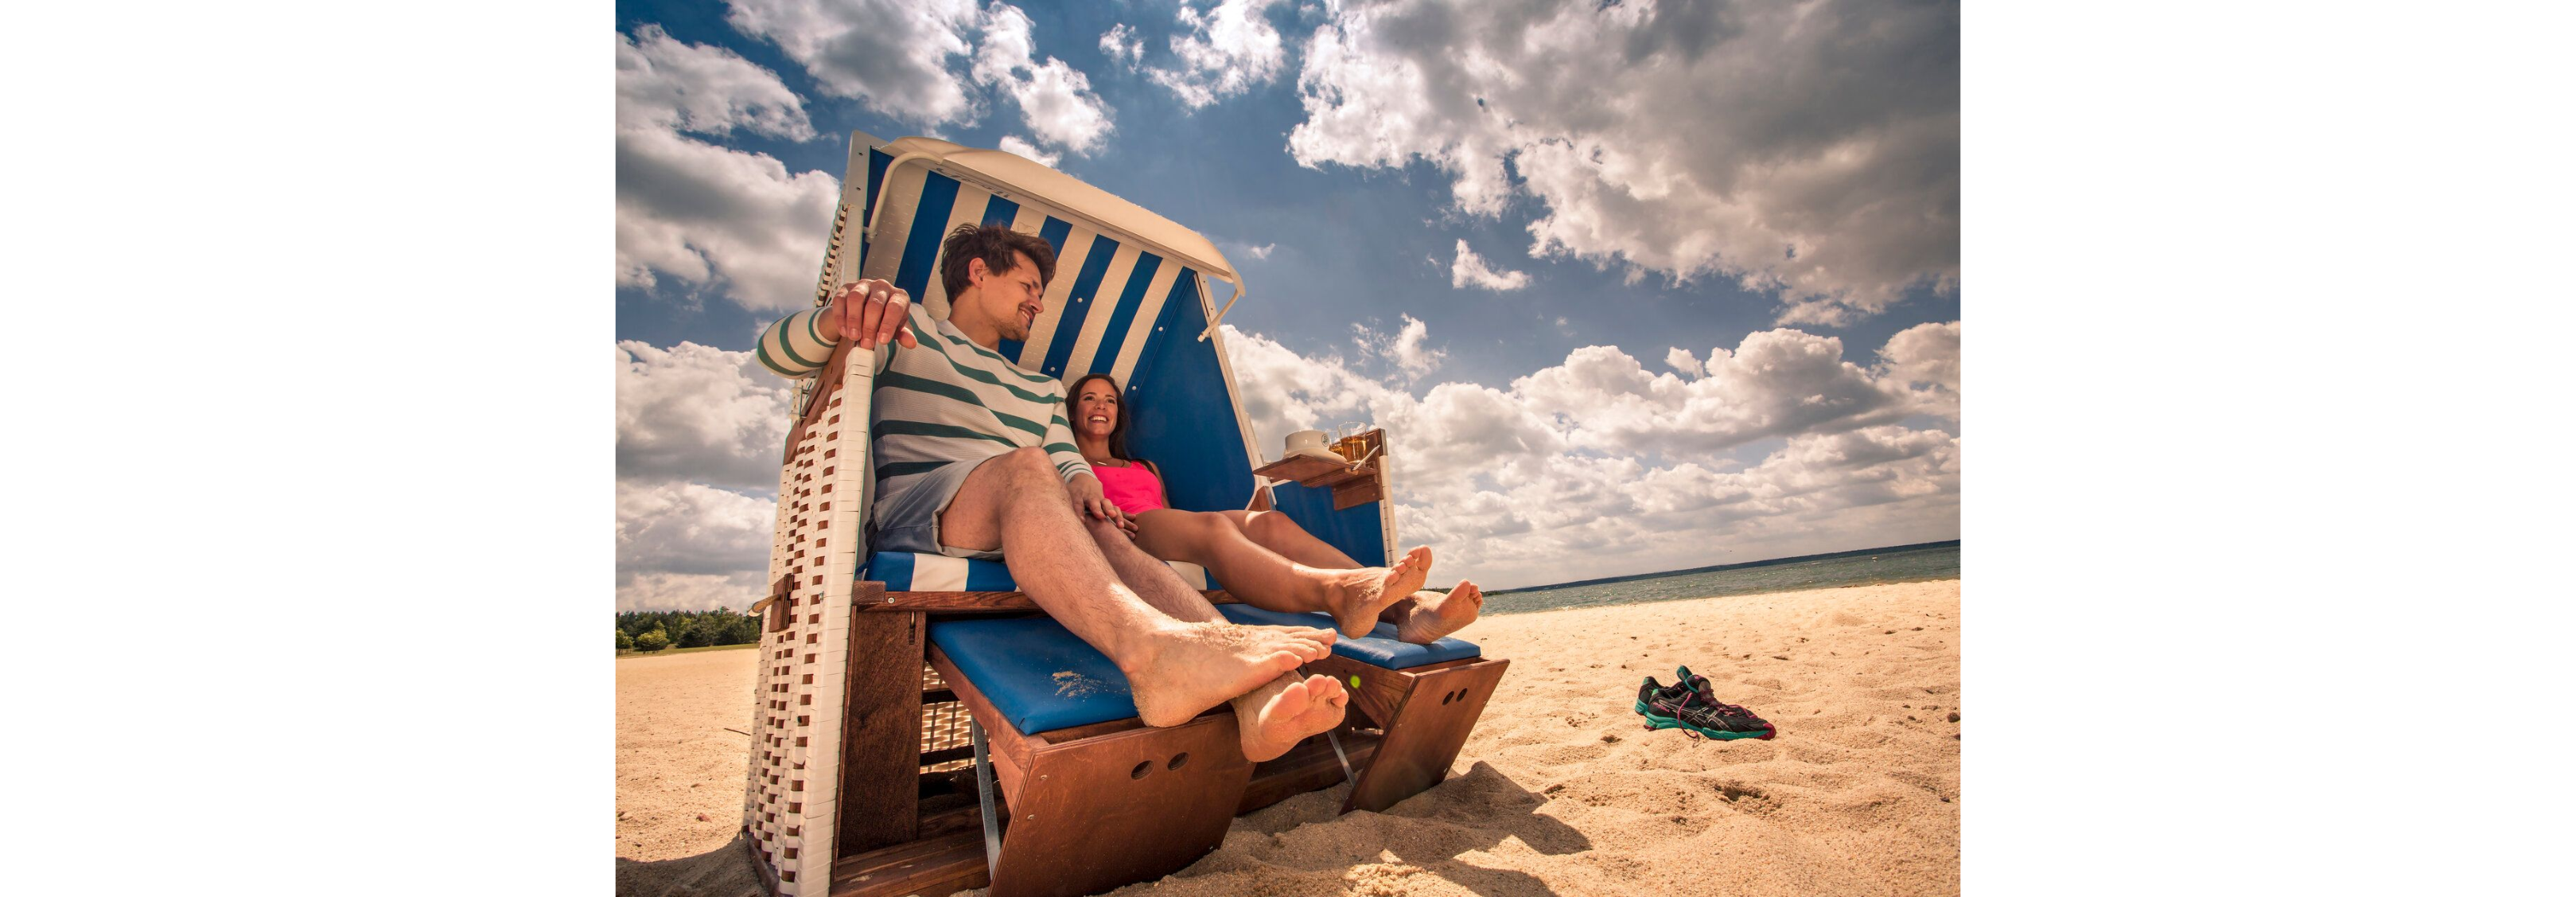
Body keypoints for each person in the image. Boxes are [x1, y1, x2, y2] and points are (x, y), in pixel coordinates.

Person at [755, 223, 1347, 762]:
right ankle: (1149, 652)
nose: (1038, 302)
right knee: (1030, 467)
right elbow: (777, 354)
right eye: (1029, 285)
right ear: (977, 272)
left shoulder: (1040, 388)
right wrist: (841, 315)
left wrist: (1089, 487)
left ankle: (1263, 698)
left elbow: (1069, 462)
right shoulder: (911, 335)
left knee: (1094, 517)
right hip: (930, 509)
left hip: (1032, 512)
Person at [1064, 372, 1484, 644]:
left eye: (1109, 400)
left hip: (1164, 522)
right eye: (1089, 398)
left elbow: (1167, 511)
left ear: (1118, 414)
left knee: (1271, 522)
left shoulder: (1144, 465)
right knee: (1212, 527)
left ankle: (1402, 608)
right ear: (1073, 410)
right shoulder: (1068, 464)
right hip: (1128, 529)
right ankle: (1339, 596)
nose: (1101, 405)